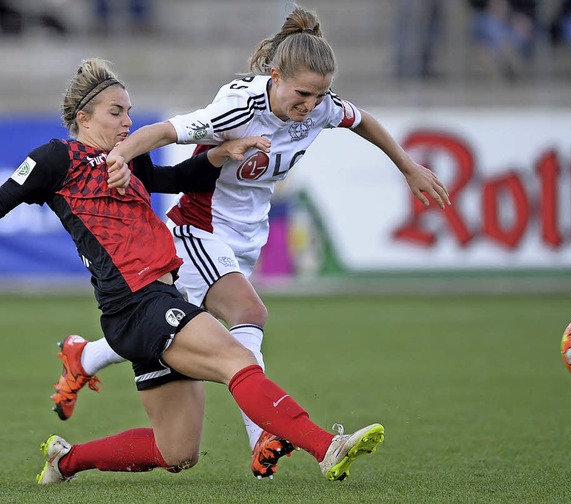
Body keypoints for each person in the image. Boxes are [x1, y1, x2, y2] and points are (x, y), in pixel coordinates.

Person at [51, 3, 450, 479]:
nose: (310, 106)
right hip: (197, 232)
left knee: (169, 345)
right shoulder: (240, 106)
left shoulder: (319, 105)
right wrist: (117, 158)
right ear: (275, 75)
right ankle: (262, 435)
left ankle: (85, 355)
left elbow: (361, 119)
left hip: (243, 241)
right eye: (301, 94)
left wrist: (406, 165)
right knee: (248, 314)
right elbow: (163, 131)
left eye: (318, 96)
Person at [0, 56, 385, 485]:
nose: (127, 121)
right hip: (136, 303)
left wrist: (221, 153)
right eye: (116, 112)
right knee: (237, 360)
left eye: (129, 111)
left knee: (178, 451)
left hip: (155, 303)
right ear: (83, 117)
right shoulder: (57, 158)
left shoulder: (125, 160)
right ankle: (325, 447)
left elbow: (177, 177)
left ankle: (64, 462)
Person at [467, 0, 537, 80]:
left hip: (512, 20)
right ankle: (504, 61)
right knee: (488, 28)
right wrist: (490, 5)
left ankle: (505, 58)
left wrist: (520, 15)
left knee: (519, 32)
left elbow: (529, 5)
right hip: (486, 18)